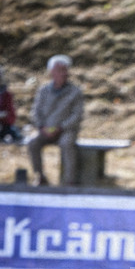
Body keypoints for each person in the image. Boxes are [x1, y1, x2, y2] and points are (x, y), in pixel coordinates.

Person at [26, 55, 84, 186]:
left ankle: (69, 180)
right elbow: (35, 112)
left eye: (65, 70)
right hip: (46, 129)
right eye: (60, 70)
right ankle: (40, 176)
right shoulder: (43, 90)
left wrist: (61, 128)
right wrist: (41, 127)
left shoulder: (75, 92)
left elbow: (77, 115)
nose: (64, 73)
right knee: (33, 143)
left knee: (66, 143)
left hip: (66, 130)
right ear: (52, 72)